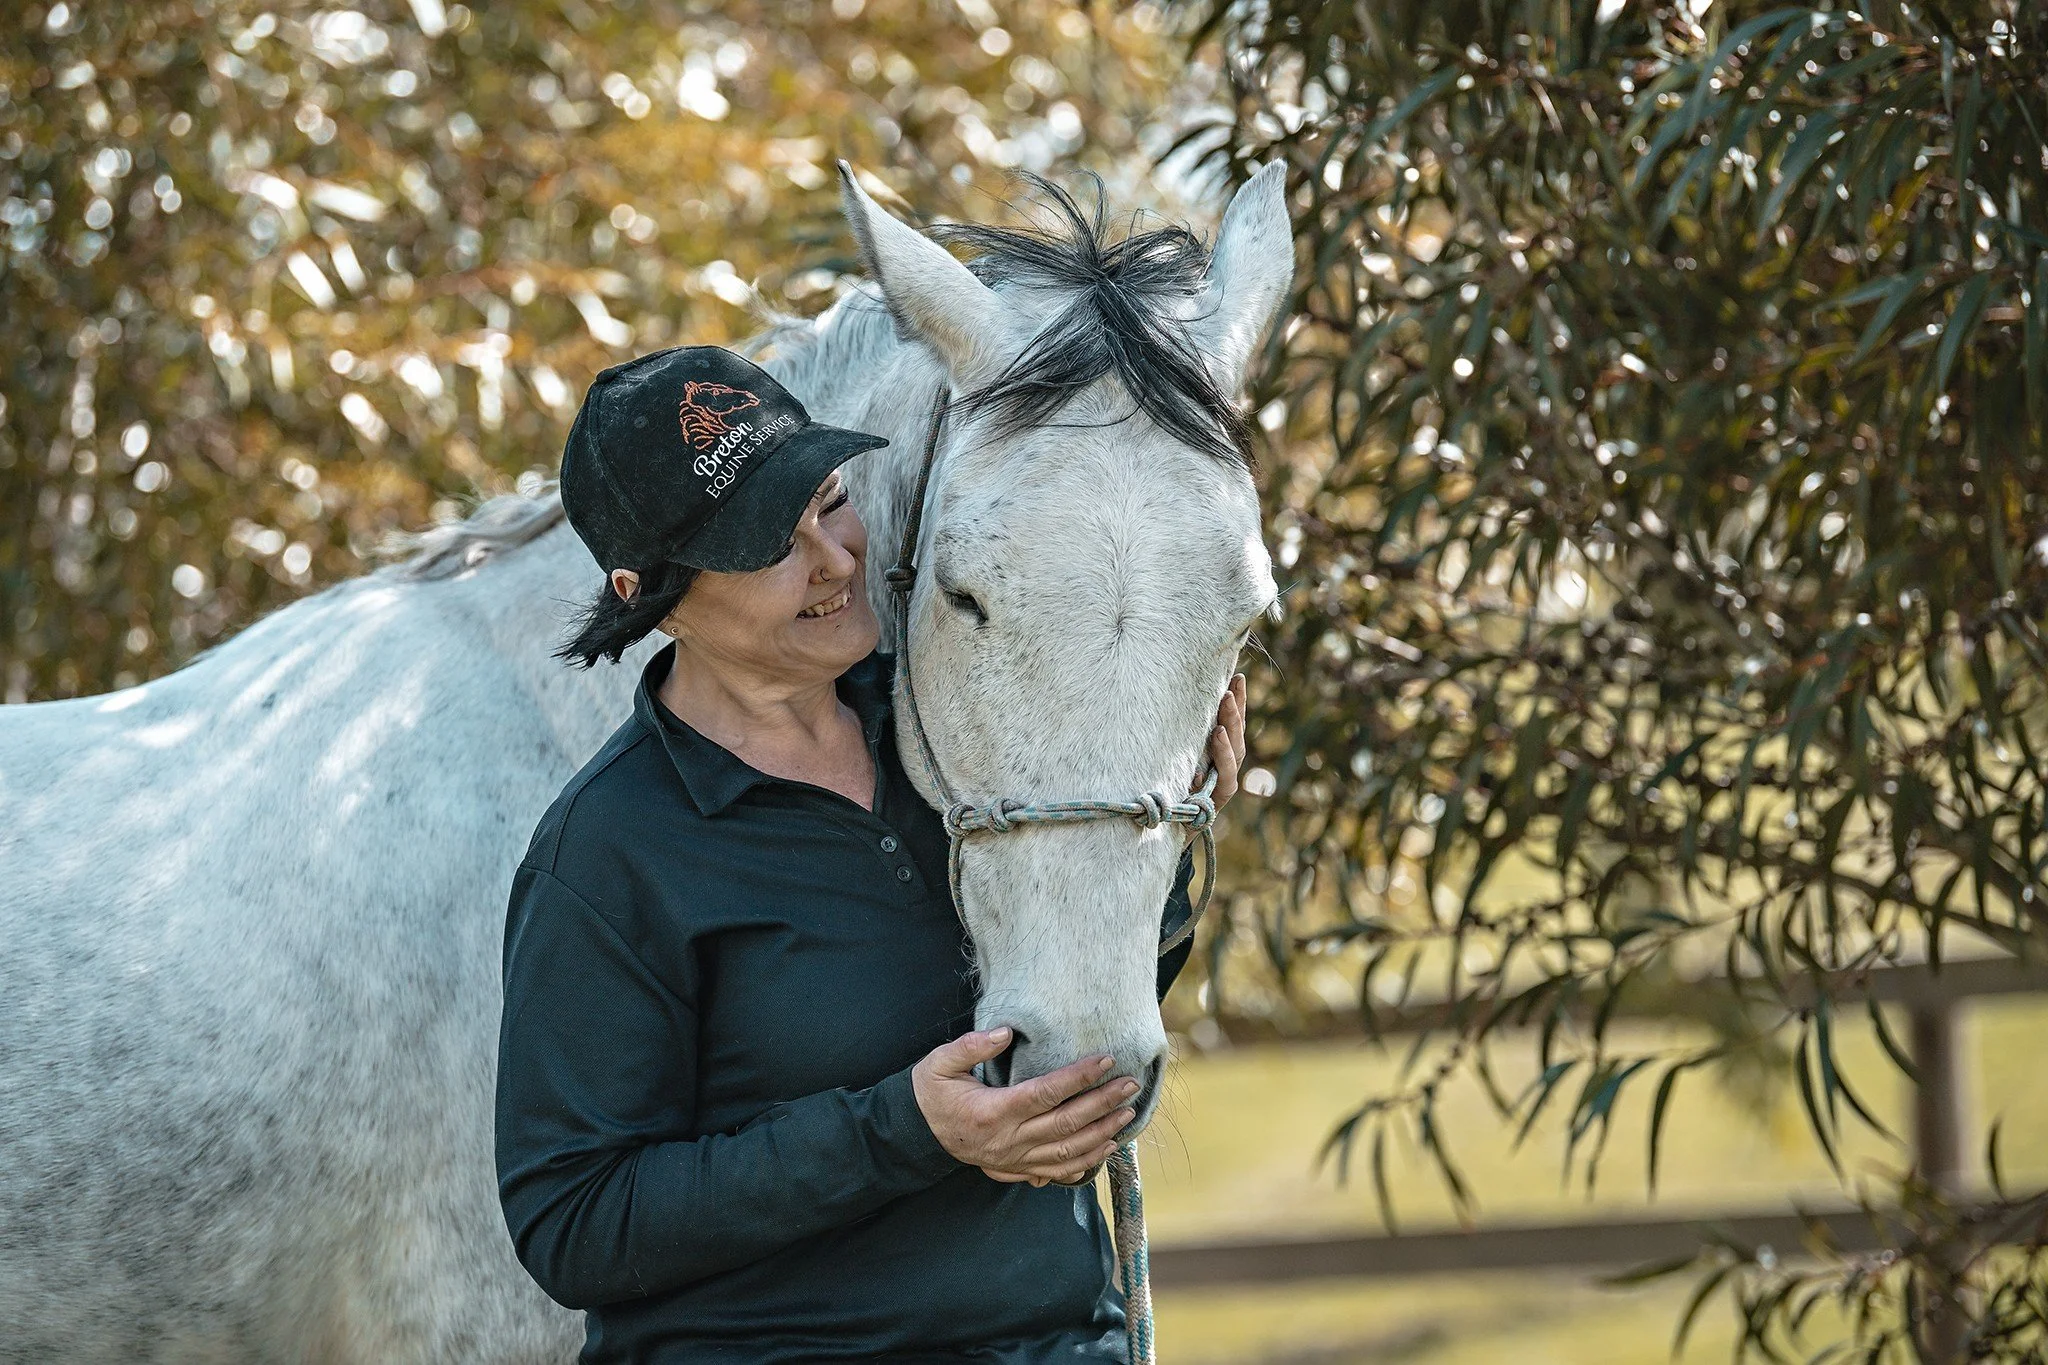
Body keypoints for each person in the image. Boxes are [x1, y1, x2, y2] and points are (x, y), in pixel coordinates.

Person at [495, 346, 1247, 1364]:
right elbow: (574, 1224)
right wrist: (903, 1131)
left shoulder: (949, 724)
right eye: (770, 540)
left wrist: (1168, 826)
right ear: (646, 593)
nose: (837, 559)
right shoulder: (612, 852)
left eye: (830, 500)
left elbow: (1072, 1011)